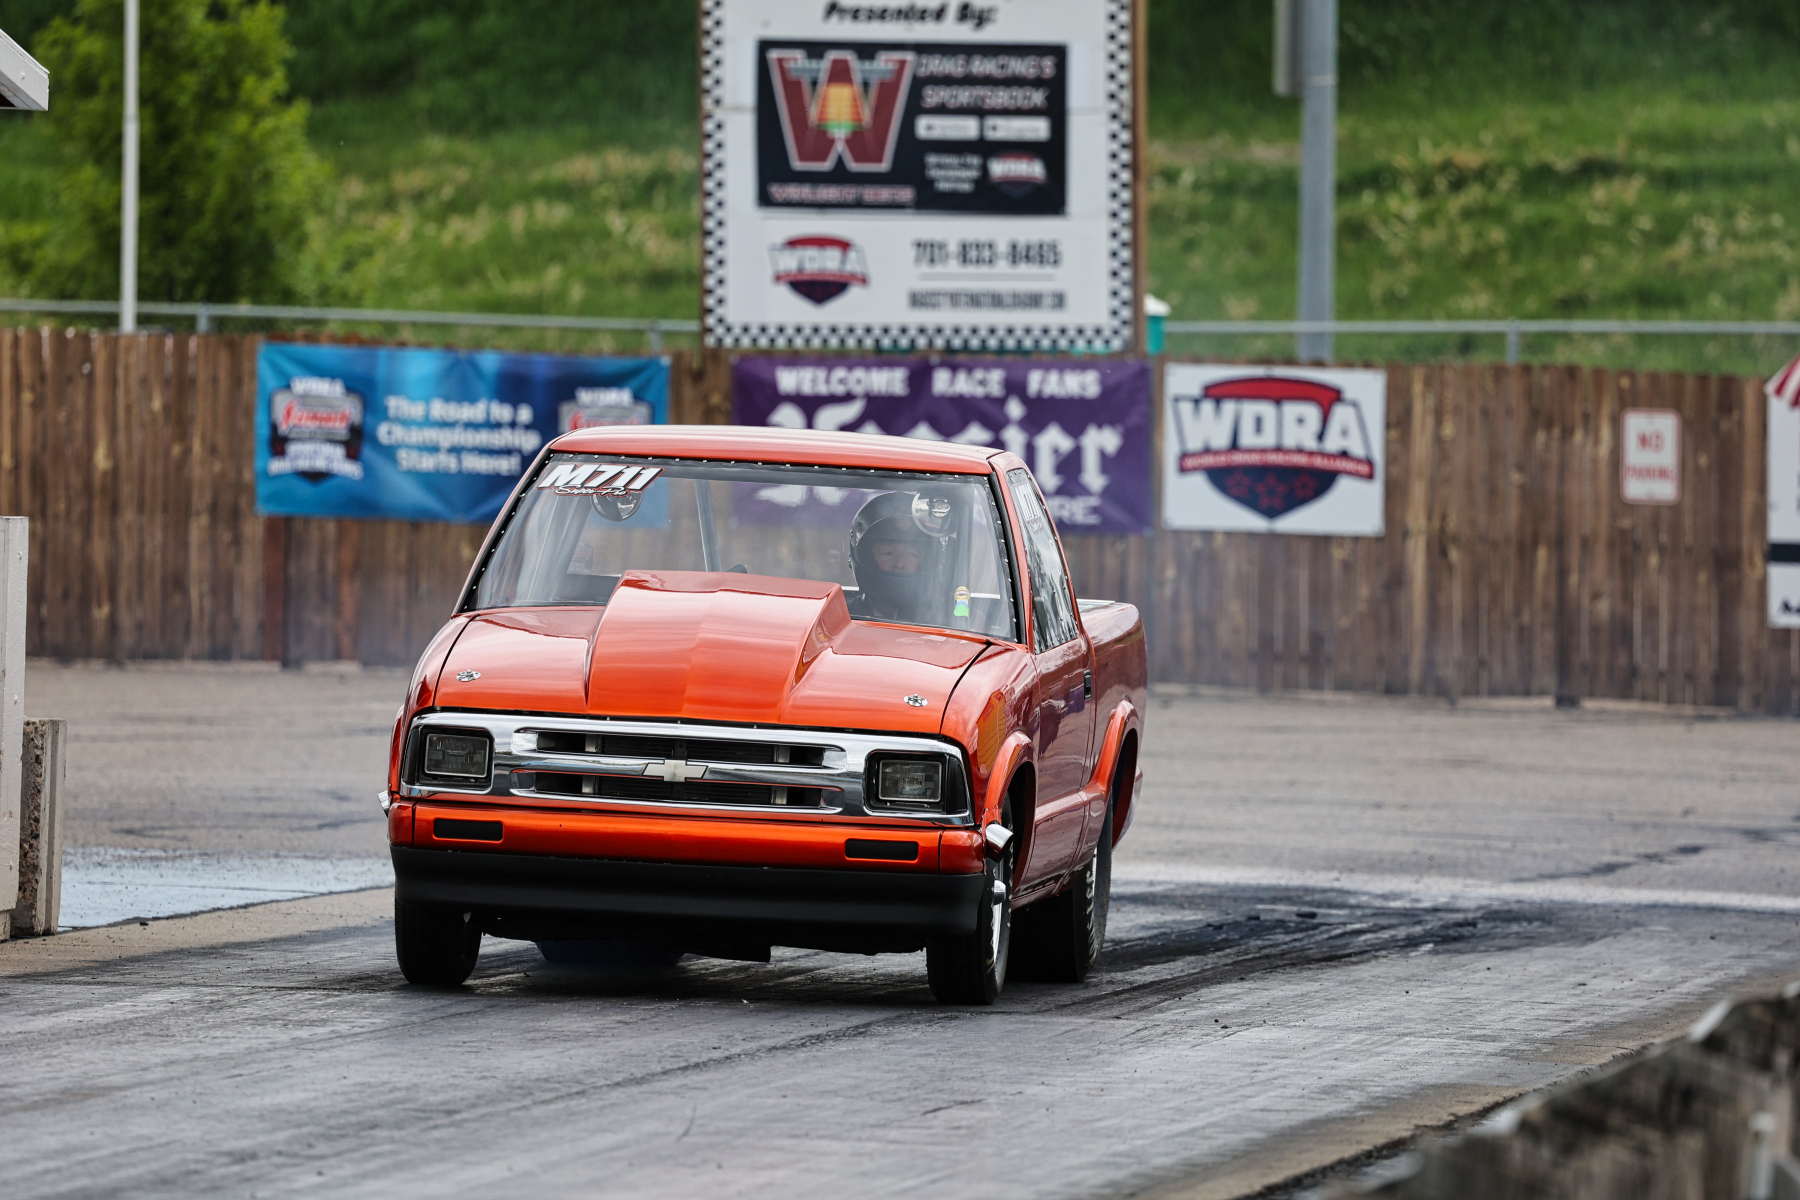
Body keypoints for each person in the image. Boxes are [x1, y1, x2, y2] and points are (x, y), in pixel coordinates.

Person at [847, 491, 939, 623]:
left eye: (912, 554)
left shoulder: (947, 621)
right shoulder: (842, 618)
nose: (900, 563)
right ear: (868, 558)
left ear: (925, 560)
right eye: (888, 553)